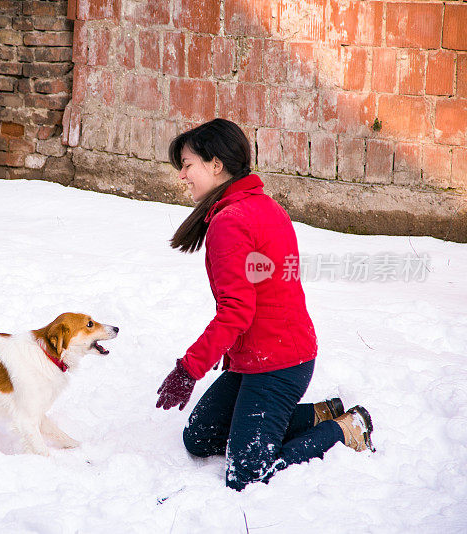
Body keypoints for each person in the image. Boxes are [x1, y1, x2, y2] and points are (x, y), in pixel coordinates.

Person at [155, 118, 374, 491]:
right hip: (260, 355)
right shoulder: (257, 205)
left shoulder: (232, 220)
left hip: (278, 363)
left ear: (215, 165)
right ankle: (320, 413)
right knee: (200, 437)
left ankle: (345, 429)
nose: (182, 176)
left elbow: (236, 311)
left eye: (188, 165)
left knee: (248, 474)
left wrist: (189, 368)